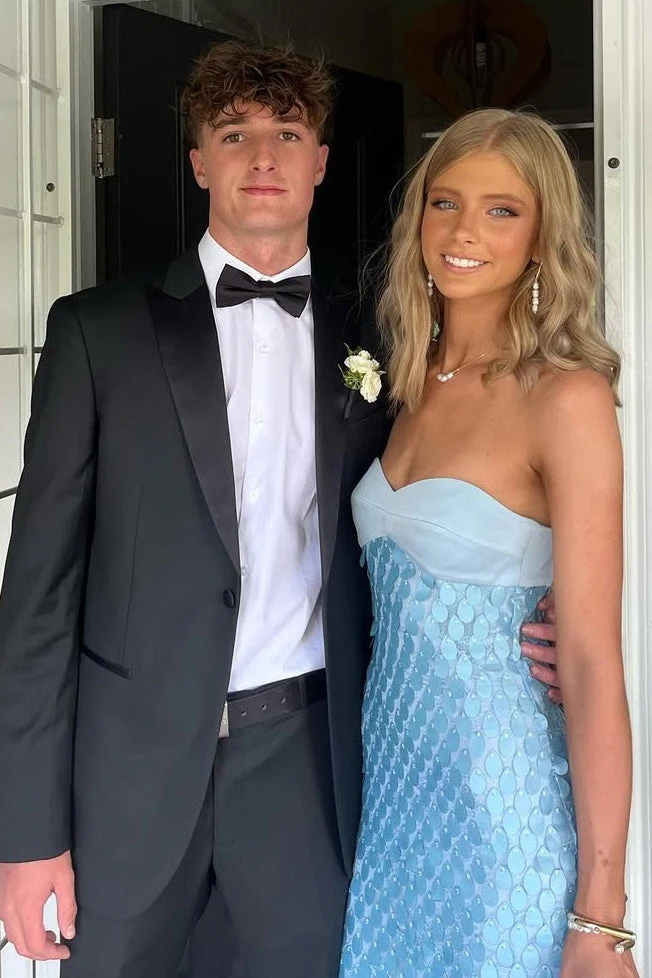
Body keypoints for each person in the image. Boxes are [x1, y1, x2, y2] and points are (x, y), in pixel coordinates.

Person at [0, 43, 559, 978]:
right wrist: (25, 834)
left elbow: (461, 483)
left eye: (288, 135)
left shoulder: (387, 334)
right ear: (198, 163)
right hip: (125, 777)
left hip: (307, 762)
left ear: (322, 162)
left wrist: (535, 608)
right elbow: (36, 602)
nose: (263, 157)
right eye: (234, 135)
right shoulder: (96, 332)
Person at [338, 108, 637, 978]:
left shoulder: (565, 397)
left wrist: (602, 921)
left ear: (542, 238)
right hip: (393, 808)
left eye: (502, 210)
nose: (464, 231)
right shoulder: (405, 380)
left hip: (504, 816)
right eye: (446, 202)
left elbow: (591, 664)